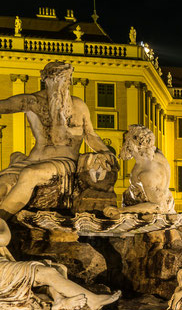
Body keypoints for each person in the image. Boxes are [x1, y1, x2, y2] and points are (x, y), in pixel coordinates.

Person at [0, 61, 116, 228]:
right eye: (55, 79)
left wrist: (106, 152)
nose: (60, 84)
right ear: (45, 80)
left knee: (29, 174)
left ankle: (1, 224)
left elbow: (90, 135)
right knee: (3, 181)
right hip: (34, 158)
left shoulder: (79, 106)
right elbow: (4, 106)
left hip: (64, 162)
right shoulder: (32, 102)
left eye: (65, 79)